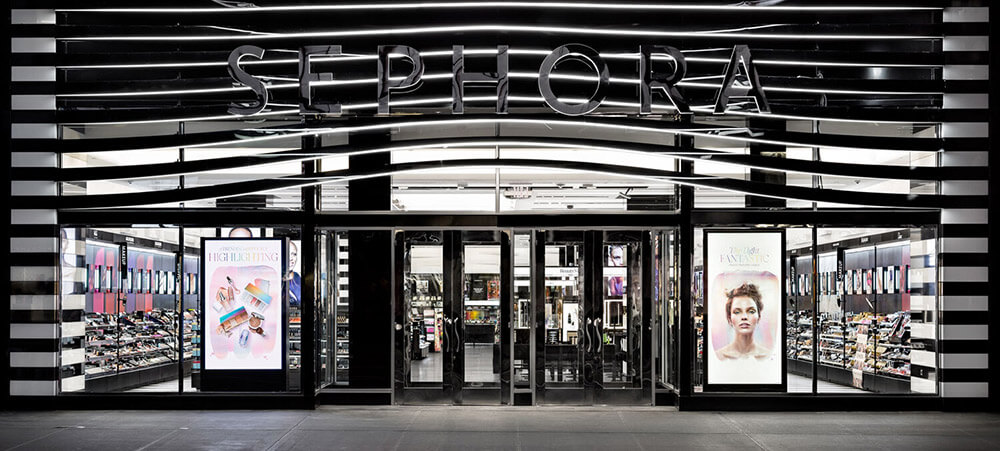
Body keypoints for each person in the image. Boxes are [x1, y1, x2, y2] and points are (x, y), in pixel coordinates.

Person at [716, 282, 771, 360]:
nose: (744, 317)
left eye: (751, 311)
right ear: (729, 318)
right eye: (737, 312)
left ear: (759, 316)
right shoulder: (718, 356)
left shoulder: (769, 356)